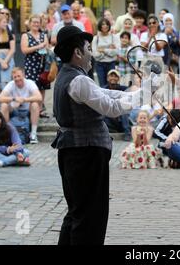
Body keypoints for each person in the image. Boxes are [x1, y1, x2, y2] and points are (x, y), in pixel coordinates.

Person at [51, 25, 158, 245]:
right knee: (90, 215)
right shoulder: (79, 80)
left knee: (77, 212)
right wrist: (145, 93)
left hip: (75, 152)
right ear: (78, 52)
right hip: (85, 154)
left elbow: (109, 94)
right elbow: (112, 108)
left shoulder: (70, 76)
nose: (92, 53)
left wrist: (144, 91)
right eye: (88, 48)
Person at [0, 68, 43, 144]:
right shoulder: (11, 84)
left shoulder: (30, 83)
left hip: (27, 110)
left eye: (19, 76)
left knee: (35, 104)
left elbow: (39, 97)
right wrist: (14, 99)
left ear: (24, 75)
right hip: (14, 110)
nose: (17, 79)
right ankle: (7, 132)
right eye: (15, 77)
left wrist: (24, 100)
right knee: (4, 105)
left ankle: (33, 134)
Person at [21, 14, 50, 118]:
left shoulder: (44, 35)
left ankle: (41, 109)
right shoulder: (26, 35)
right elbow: (24, 50)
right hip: (31, 64)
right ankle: (31, 109)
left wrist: (45, 48)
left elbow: (47, 48)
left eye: (38, 22)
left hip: (42, 65)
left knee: (42, 87)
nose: (36, 24)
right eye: (34, 22)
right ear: (30, 23)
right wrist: (39, 46)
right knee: (31, 87)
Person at [103, 70, 132, 141]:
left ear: (118, 79)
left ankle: (127, 133)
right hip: (109, 117)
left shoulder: (124, 89)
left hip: (122, 118)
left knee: (124, 109)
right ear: (107, 78)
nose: (113, 78)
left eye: (115, 76)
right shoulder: (103, 89)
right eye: (111, 76)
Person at [92, 18, 118, 87]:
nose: (105, 26)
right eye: (103, 24)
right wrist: (109, 49)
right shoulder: (96, 38)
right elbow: (95, 54)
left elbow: (115, 52)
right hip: (99, 64)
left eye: (107, 24)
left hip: (111, 63)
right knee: (102, 85)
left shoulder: (113, 37)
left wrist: (103, 50)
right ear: (100, 26)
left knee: (112, 84)